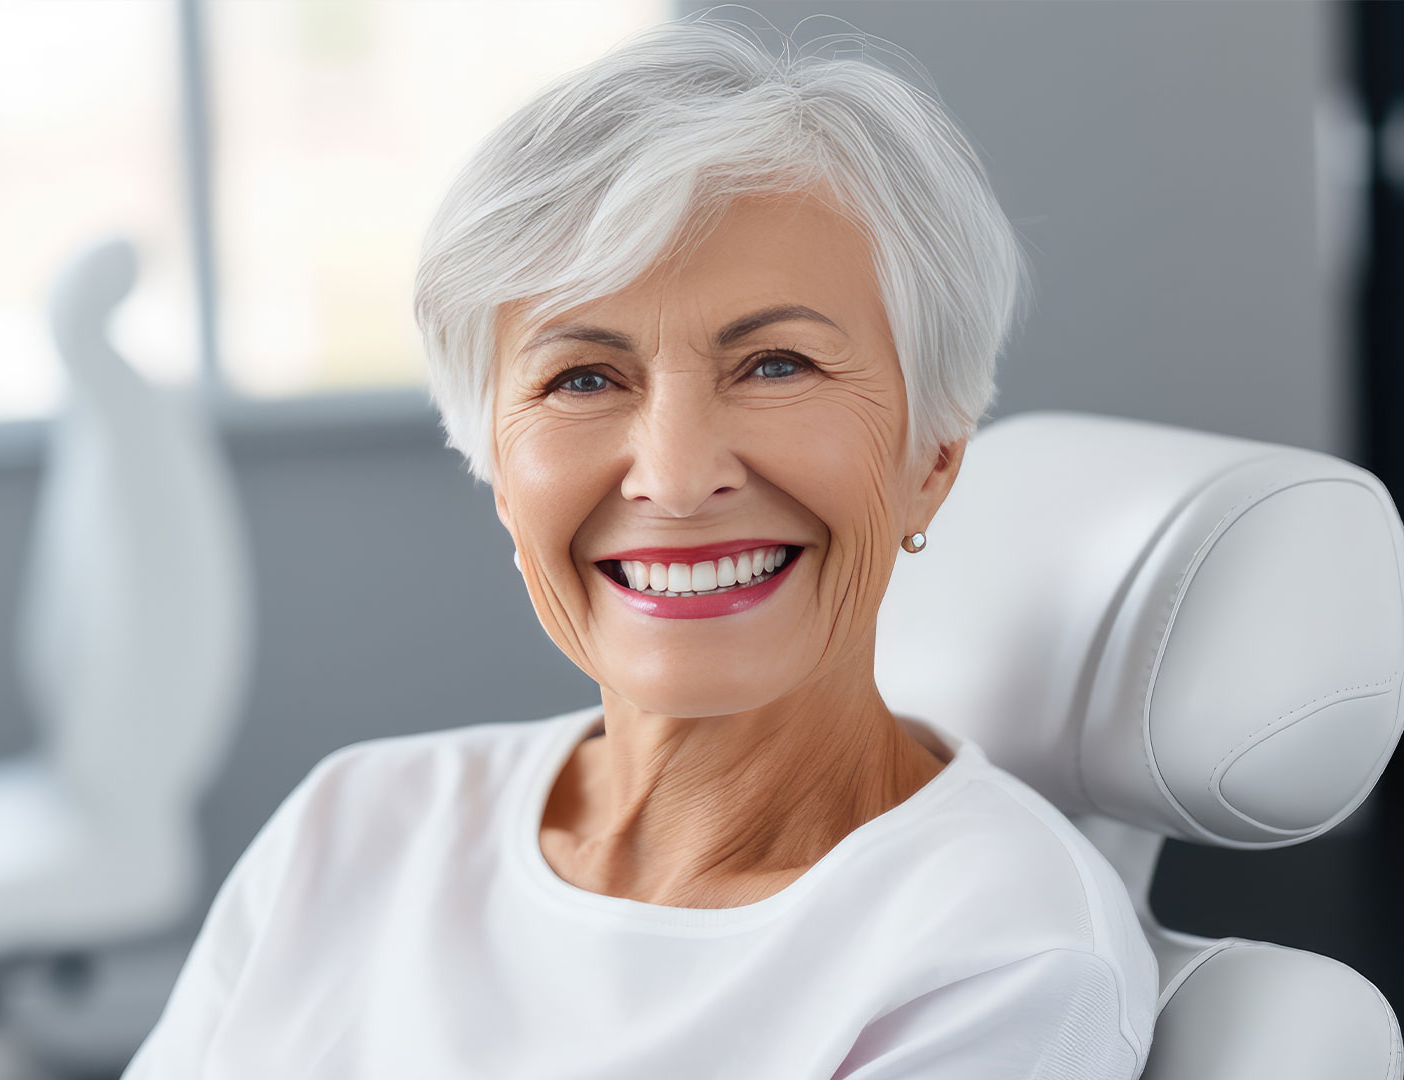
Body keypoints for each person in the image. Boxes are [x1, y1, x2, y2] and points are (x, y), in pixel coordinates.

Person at [124, 14, 1156, 1079]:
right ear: (495, 469)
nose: (674, 475)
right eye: (582, 379)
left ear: (932, 456)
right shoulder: (353, 827)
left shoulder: (999, 961)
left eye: (776, 365)